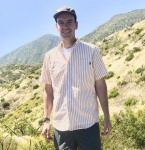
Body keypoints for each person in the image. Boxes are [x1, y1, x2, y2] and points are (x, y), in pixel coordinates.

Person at [39, 6, 113, 150]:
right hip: (61, 127)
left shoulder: (91, 51)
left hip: (88, 124)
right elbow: (48, 91)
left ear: (76, 25)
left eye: (69, 22)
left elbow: (100, 85)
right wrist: (46, 120)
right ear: (56, 26)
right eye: (61, 22)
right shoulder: (49, 57)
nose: (65, 26)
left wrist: (107, 116)